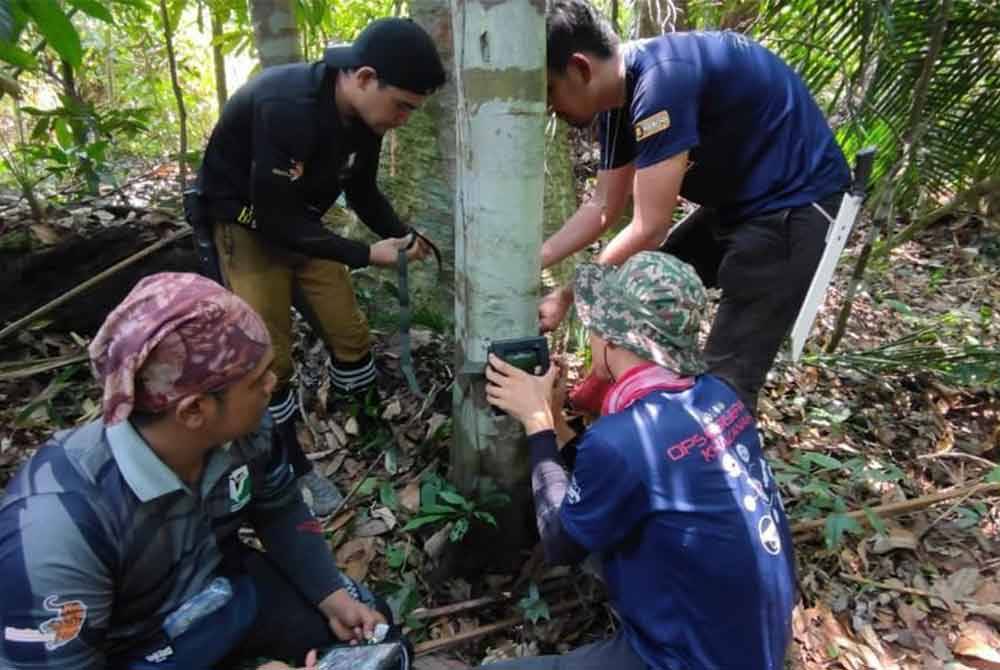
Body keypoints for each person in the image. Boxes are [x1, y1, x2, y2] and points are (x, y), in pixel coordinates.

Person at [0, 273, 394, 670]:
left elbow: (279, 507)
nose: (273, 384)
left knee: (375, 641)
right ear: (193, 411)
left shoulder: (246, 433)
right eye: (258, 380)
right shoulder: (57, 529)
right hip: (132, 649)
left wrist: (330, 594)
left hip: (220, 592)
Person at [484, 252, 796, 669]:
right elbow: (633, 478)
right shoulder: (718, 397)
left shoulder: (623, 440)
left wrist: (537, 424)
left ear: (611, 339)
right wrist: (557, 424)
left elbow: (561, 544)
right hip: (756, 641)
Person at [538, 0, 851, 411]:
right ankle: (614, 401)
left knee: (727, 380)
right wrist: (535, 260)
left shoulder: (661, 83)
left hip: (796, 206)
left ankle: (708, 458)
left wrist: (567, 292)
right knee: (639, 294)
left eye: (548, 90)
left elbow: (650, 228)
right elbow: (602, 206)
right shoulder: (617, 99)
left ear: (580, 69)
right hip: (739, 202)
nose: (548, 107)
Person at [194, 17, 447, 513]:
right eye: (402, 106)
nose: (403, 119)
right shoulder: (286, 106)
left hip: (304, 221)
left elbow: (363, 190)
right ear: (365, 77)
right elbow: (272, 217)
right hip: (247, 224)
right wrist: (363, 254)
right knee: (271, 359)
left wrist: (400, 234)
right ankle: (291, 465)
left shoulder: (364, 117)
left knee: (349, 332)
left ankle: (366, 421)